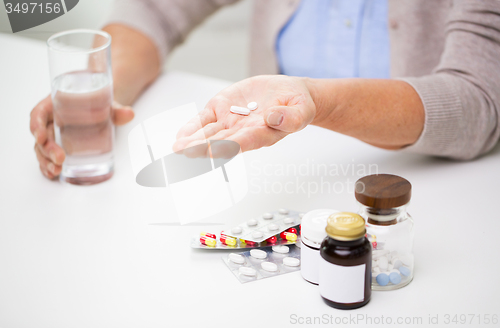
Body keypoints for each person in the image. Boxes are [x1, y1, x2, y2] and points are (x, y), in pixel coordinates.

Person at [30, 0, 500, 179]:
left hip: (427, 181)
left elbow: (478, 101)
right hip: (275, 169)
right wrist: (101, 87)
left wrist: (317, 102)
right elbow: (155, 8)